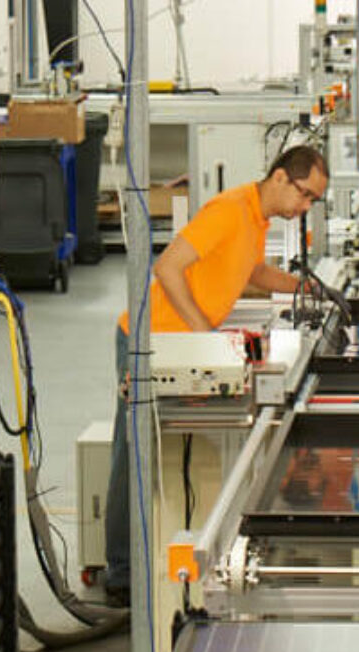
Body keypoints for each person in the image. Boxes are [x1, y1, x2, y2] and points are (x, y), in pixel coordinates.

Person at [104, 145, 333, 603]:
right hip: (151, 340)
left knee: (158, 453)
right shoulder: (229, 210)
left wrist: (306, 287)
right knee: (135, 455)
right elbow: (167, 266)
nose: (305, 206)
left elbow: (253, 271)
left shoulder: (256, 218)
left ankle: (155, 552)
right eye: (305, 194)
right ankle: (122, 574)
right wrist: (204, 334)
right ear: (281, 178)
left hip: (182, 342)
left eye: (313, 200)